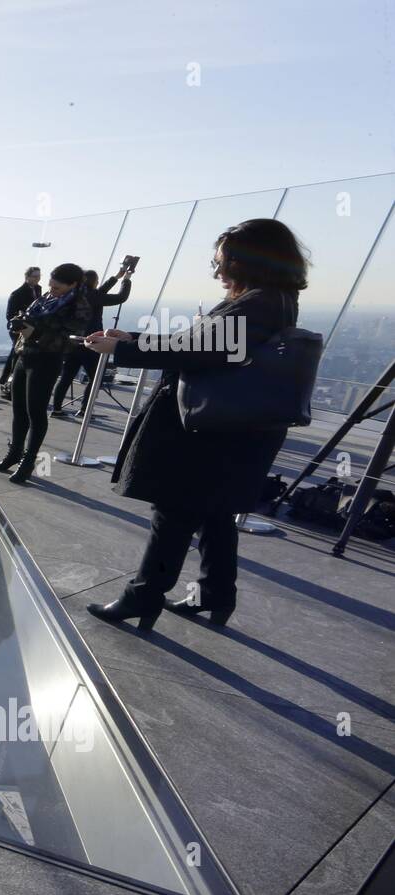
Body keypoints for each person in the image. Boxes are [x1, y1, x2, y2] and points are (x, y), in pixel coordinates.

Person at [82, 218, 309, 630]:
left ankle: (143, 598)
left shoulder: (257, 303)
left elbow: (205, 350)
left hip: (209, 434)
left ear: (251, 261)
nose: (219, 270)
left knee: (174, 511)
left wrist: (123, 347)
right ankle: (215, 595)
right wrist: (129, 339)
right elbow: (207, 344)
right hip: (232, 432)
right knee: (213, 513)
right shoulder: (275, 299)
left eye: (225, 261)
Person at [0, 263, 91, 483]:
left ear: (72, 285)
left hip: (46, 361)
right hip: (24, 356)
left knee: (35, 412)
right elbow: (30, 318)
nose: (51, 290)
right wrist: (19, 324)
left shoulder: (79, 306)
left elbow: (70, 341)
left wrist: (34, 333)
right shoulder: (46, 298)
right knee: (19, 410)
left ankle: (28, 461)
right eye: (50, 286)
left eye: (57, 288)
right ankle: (15, 452)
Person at [50, 263, 133, 416]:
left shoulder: (78, 295)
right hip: (91, 343)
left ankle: (56, 408)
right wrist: (126, 279)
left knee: (67, 376)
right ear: (95, 282)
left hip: (73, 342)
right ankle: (84, 409)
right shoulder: (95, 296)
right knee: (96, 379)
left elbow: (100, 292)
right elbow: (121, 297)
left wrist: (117, 276)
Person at [0, 267, 42, 397]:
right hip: (19, 328)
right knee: (17, 353)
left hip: (30, 328)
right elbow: (10, 315)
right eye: (34, 276)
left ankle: (7, 379)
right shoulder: (17, 294)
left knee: (15, 353)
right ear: (27, 277)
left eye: (39, 276)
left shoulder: (38, 289)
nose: (37, 278)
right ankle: (11, 382)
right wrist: (20, 323)